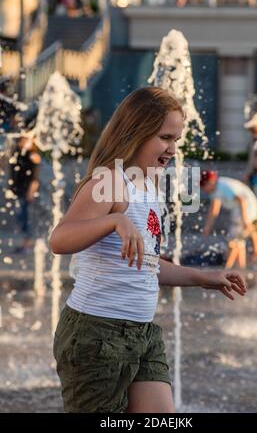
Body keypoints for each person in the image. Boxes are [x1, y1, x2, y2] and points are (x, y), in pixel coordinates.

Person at [49, 87, 246, 413]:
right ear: (137, 131)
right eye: (165, 138)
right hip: (97, 334)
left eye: (176, 140)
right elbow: (60, 240)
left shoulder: (148, 186)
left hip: (142, 332)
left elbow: (148, 264)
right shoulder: (110, 181)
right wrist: (114, 220)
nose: (172, 149)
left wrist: (204, 277)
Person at [200, 171, 257, 269]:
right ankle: (241, 268)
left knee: (234, 240)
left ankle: (227, 269)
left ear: (210, 182)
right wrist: (208, 226)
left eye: (204, 187)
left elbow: (241, 200)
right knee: (238, 241)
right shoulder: (215, 189)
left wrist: (245, 220)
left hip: (247, 207)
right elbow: (214, 209)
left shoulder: (223, 186)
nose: (203, 190)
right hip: (239, 209)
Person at [9, 135, 41, 252]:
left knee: (25, 218)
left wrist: (31, 192)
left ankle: (28, 244)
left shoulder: (33, 156)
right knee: (20, 218)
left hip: (26, 191)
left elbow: (35, 177)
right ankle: (26, 243)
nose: (22, 142)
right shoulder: (17, 152)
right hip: (17, 191)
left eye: (25, 140)